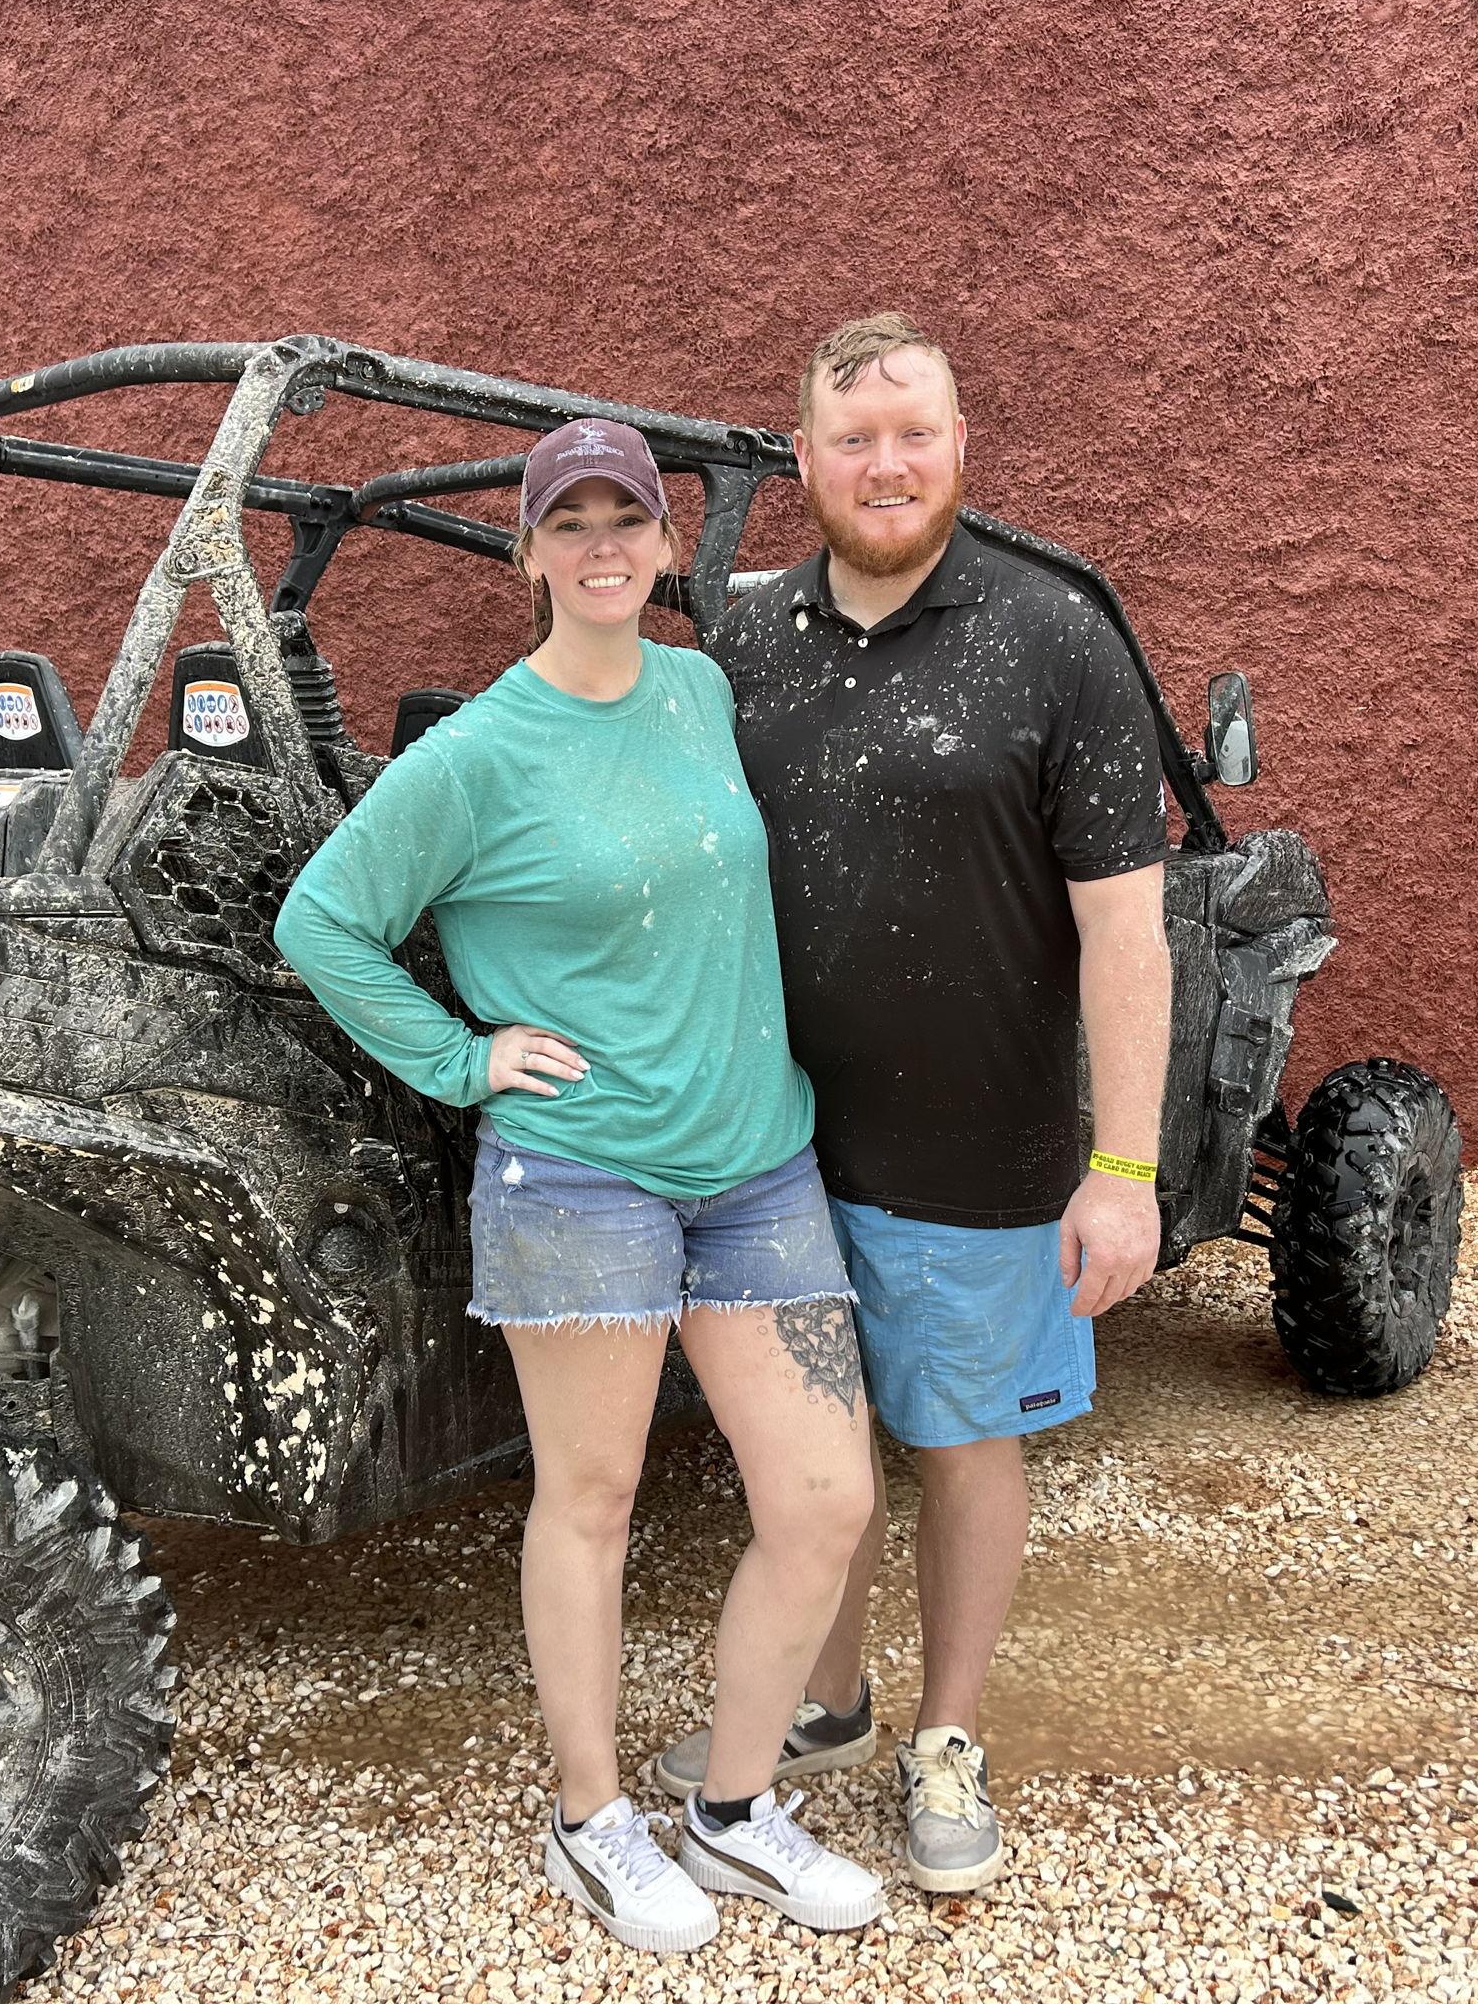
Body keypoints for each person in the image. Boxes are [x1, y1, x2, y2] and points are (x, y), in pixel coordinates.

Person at [274, 418, 885, 1950]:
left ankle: (736, 1810)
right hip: (583, 1181)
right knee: (594, 1500)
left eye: (630, 519)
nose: (604, 544)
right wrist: (467, 1064)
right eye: (572, 522)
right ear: (530, 551)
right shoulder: (478, 754)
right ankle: (590, 1815)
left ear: (667, 548)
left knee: (825, 1498)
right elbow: (324, 923)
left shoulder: (697, 691)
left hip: (757, 1168)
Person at [654, 314, 1171, 1893]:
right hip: (775, 1157)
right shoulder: (736, 650)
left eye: (914, 433)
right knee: (815, 1460)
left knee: (961, 1447)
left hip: (984, 1164)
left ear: (961, 448)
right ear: (801, 459)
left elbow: (1126, 930)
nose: (885, 464)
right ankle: (830, 1703)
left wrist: (1126, 1168)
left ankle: (947, 1735)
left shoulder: (1058, 635)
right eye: (852, 437)